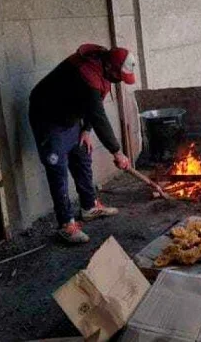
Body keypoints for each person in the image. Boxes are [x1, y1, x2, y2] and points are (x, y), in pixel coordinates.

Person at [29, 44, 135, 243]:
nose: (120, 81)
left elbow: (94, 103)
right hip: (48, 118)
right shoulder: (86, 73)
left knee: (82, 155)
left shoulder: (104, 66)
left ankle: (89, 207)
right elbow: (98, 114)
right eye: (120, 76)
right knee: (57, 171)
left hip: (71, 116)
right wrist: (117, 152)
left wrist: (85, 129)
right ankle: (66, 224)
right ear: (111, 67)